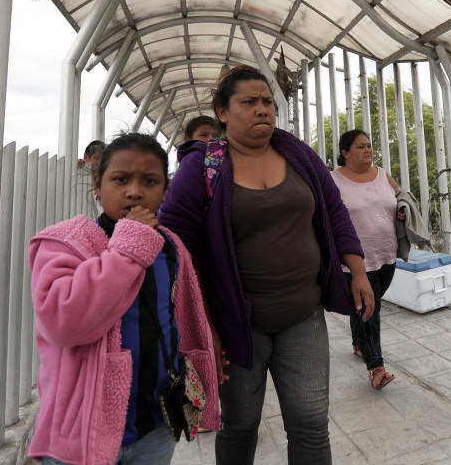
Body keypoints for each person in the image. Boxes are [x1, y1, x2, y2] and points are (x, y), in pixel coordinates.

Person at [159, 65, 375, 465]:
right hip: (238, 326)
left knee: (310, 423)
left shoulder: (296, 154)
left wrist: (357, 270)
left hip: (303, 316)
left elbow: (333, 209)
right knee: (240, 425)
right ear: (223, 112)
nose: (262, 110)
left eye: (267, 102)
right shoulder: (202, 166)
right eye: (249, 102)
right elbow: (177, 250)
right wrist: (206, 327)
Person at [28, 133, 220, 465]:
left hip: (155, 425)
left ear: (164, 190)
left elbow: (184, 318)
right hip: (82, 428)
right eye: (120, 179)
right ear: (97, 185)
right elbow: (63, 324)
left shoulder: (171, 247)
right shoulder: (67, 244)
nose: (134, 191)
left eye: (150, 181)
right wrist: (128, 247)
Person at [331, 129, 401, 389]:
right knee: (371, 308)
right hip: (355, 258)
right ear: (345, 153)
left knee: (365, 305)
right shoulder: (334, 180)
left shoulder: (383, 175)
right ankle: (376, 367)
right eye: (360, 146)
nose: (368, 150)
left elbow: (400, 199)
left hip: (387, 253)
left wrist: (403, 212)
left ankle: (358, 343)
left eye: (370, 145)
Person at [76, 140, 105, 216]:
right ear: (86, 157)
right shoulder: (79, 172)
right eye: (97, 158)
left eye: (104, 159)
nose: (101, 163)